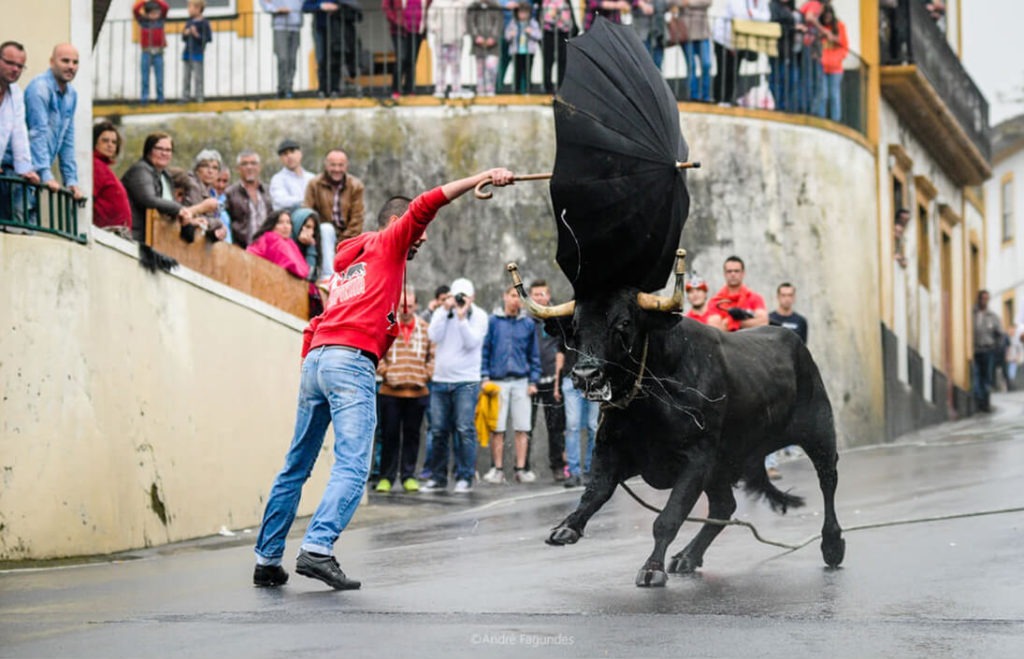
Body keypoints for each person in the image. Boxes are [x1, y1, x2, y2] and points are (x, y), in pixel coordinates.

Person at [252, 166, 515, 589]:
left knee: (296, 464)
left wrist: (312, 364)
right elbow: (430, 202)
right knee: (354, 465)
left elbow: (318, 321)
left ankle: (267, 559)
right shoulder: (389, 242)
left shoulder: (349, 265)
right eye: (418, 231)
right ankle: (318, 549)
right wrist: (485, 176)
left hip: (318, 359)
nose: (423, 238)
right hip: (348, 360)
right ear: (397, 223)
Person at [421, 277, 489, 493]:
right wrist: (444, 310)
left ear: (472, 298)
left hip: (466, 382)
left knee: (464, 429)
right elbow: (433, 335)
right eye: (456, 296)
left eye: (464, 297)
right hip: (441, 380)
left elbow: (471, 342)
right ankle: (438, 477)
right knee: (439, 430)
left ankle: (465, 477)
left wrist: (461, 318)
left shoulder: (479, 316)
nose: (460, 301)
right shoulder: (443, 312)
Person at [375, 285, 434, 493]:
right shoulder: (387, 326)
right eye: (401, 305)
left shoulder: (426, 328)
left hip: (417, 392)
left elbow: (432, 356)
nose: (405, 309)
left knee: (412, 435)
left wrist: (426, 374)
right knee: (389, 435)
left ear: (416, 305)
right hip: (390, 392)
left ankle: (409, 475)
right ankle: (386, 477)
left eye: (409, 304)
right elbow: (377, 352)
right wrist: (386, 373)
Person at [480, 284, 541, 484]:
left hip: (521, 381)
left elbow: (534, 355)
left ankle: (520, 469)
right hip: (497, 382)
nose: (516, 300)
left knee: (522, 428)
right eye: (512, 295)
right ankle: (497, 469)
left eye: (518, 296)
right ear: (504, 297)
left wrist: (533, 380)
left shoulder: (528, 324)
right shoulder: (493, 321)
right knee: (497, 429)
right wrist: (485, 377)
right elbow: (486, 350)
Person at [24, 44, 82, 201]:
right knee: (18, 222)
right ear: (52, 62)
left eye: (75, 62)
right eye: (65, 61)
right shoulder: (40, 88)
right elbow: (37, 133)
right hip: (19, 171)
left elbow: (67, 140)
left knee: (30, 222)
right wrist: (45, 174)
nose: (71, 66)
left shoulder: (71, 94)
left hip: (35, 176)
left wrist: (71, 180)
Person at [121, 132, 197, 242]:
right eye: (159, 149)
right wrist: (179, 209)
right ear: (148, 151)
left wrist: (190, 219)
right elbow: (148, 200)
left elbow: (167, 205)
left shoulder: (165, 176)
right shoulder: (141, 170)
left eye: (168, 150)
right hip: (134, 238)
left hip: (156, 240)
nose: (164, 153)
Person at [527, 280, 567, 482]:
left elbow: (563, 345)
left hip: (553, 380)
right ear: (531, 297)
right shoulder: (526, 320)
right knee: (527, 426)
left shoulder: (558, 318)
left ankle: (558, 466)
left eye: (543, 294)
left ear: (548, 296)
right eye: (536, 295)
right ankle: (523, 467)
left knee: (556, 427)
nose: (540, 298)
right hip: (532, 381)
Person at [304, 148, 366, 277]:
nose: (337, 169)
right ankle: (328, 276)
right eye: (333, 165)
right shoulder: (314, 184)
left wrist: (341, 243)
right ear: (326, 165)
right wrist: (310, 232)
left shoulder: (356, 186)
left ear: (346, 166)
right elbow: (307, 212)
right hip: (322, 234)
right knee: (327, 229)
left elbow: (357, 220)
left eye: (340, 165)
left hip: (347, 236)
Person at [712, 0, 771, 105]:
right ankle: (719, 98)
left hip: (740, 42)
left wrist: (753, 13)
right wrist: (731, 46)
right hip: (724, 39)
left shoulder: (761, 2)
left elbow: (766, 16)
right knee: (724, 70)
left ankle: (728, 99)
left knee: (734, 72)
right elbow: (740, 17)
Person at [0, 41, 39, 194]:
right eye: (10, 63)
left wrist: (25, 169)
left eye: (20, 66)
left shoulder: (16, 94)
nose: (15, 69)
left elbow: (19, 133)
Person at [559, 340, 599, 488]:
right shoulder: (567, 322)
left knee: (593, 426)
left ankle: (591, 470)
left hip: (595, 379)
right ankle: (574, 472)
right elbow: (560, 349)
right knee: (573, 425)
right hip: (571, 377)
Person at [306, 0, 362, 98]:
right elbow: (306, 6)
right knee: (321, 58)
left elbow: (354, 7)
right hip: (320, 29)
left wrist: (338, 7)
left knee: (335, 58)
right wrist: (321, 6)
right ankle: (323, 88)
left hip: (337, 29)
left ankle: (334, 88)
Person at [246, 208, 316, 279]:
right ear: (272, 226)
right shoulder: (271, 238)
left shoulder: (289, 242)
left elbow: (306, 272)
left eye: (288, 222)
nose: (285, 226)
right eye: (280, 222)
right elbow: (296, 269)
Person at [224, 150, 272, 248]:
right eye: (244, 164)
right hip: (242, 250)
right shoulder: (230, 193)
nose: (249, 167)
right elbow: (226, 222)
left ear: (259, 167)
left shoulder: (268, 191)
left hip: (267, 248)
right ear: (238, 169)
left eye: (253, 163)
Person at [708, 255, 769, 332]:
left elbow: (763, 322)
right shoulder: (716, 301)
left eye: (736, 271)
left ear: (743, 273)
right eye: (729, 271)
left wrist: (735, 322)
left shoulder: (755, 298)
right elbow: (714, 329)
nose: (733, 274)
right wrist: (747, 320)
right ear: (724, 274)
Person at [383, 0, 430, 97]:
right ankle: (396, 89)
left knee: (412, 60)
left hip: (417, 30)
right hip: (399, 30)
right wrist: (396, 20)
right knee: (402, 58)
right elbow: (386, 6)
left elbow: (430, 6)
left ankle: (409, 89)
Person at [92, 122, 132, 233]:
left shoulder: (104, 167)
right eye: (105, 141)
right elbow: (89, 198)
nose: (110, 145)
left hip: (115, 234)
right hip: (105, 234)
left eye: (114, 142)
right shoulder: (95, 166)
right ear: (94, 142)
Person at [261, 0, 305, 98]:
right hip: (280, 25)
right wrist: (276, 9)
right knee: (283, 58)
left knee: (292, 60)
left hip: (295, 26)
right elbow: (264, 2)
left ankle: (289, 88)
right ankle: (282, 88)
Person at [428, 0, 469, 99]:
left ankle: (456, 89)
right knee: (441, 65)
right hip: (441, 38)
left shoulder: (461, 4)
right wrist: (435, 28)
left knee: (456, 66)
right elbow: (430, 18)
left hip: (457, 39)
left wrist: (463, 30)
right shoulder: (437, 3)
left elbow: (465, 19)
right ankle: (440, 89)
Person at [768, 0, 804, 111]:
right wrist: (794, 28)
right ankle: (779, 104)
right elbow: (775, 26)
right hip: (778, 49)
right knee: (778, 78)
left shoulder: (791, 8)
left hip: (791, 50)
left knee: (790, 80)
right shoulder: (773, 6)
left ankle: (788, 105)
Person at [191, 148, 232, 243]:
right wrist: (219, 224)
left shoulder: (210, 192)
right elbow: (199, 219)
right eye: (205, 166)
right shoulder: (192, 186)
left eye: (214, 168)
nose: (210, 171)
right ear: (197, 169)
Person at [972, 290, 1003, 413]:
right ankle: (980, 400)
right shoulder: (972, 315)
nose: (984, 301)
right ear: (978, 299)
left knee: (987, 377)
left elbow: (1000, 334)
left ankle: (985, 402)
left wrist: (996, 347)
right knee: (977, 376)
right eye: (982, 298)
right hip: (975, 350)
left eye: (987, 299)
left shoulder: (992, 317)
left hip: (988, 350)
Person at [133, 0, 169, 104]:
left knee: (159, 77)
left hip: (159, 53)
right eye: (152, 13)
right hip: (146, 52)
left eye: (157, 12)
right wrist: (143, 2)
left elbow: (165, 7)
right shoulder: (143, 21)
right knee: (145, 77)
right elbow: (135, 10)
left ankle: (160, 97)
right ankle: (144, 98)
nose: (155, 15)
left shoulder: (161, 21)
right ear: (147, 13)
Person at [816, 4, 847, 121]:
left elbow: (845, 47)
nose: (827, 19)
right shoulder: (820, 29)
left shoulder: (839, 27)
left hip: (836, 69)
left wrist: (836, 59)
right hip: (822, 66)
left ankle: (836, 120)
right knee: (823, 94)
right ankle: (821, 118)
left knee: (834, 95)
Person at [467, 0, 503, 97]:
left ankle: (491, 88)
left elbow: (498, 23)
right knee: (480, 69)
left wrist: (493, 37)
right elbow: (470, 23)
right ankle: (481, 89)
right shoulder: (473, 7)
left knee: (491, 67)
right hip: (478, 44)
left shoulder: (496, 7)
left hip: (493, 45)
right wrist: (476, 37)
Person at [539, 0, 576, 94]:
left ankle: (561, 86)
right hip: (549, 33)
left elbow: (568, 21)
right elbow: (547, 18)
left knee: (563, 59)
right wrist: (557, 15)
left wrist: (557, 14)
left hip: (563, 34)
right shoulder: (546, 2)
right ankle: (547, 86)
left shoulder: (565, 2)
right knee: (548, 59)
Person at [679, 0, 713, 103]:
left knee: (706, 64)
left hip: (703, 33)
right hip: (686, 32)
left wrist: (688, 3)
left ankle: (706, 96)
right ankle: (693, 95)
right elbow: (673, 2)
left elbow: (707, 2)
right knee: (691, 66)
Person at [504, 3, 541, 94]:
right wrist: (511, 35)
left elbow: (539, 35)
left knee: (528, 72)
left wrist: (531, 32)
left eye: (525, 13)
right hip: (516, 52)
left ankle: (528, 90)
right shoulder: (513, 23)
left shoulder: (532, 23)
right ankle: (516, 91)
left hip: (529, 52)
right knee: (517, 72)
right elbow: (506, 36)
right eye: (521, 12)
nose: (523, 15)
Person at [269, 138, 315, 210]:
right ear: (281, 159)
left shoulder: (312, 178)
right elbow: (282, 201)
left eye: (292, 151)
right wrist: (307, 201)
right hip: (290, 218)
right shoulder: (277, 179)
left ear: (300, 154)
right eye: (285, 154)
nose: (289, 156)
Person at [181, 0, 213, 103]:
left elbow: (208, 38)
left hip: (198, 53)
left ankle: (199, 97)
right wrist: (185, 33)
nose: (189, 10)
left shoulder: (204, 23)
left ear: (198, 8)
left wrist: (196, 35)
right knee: (186, 77)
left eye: (191, 7)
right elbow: (183, 38)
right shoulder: (189, 22)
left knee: (198, 77)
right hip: (187, 53)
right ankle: (186, 96)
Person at [632, 0, 668, 70]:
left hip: (658, 34)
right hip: (642, 35)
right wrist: (640, 3)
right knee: (644, 66)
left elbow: (666, 6)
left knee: (658, 65)